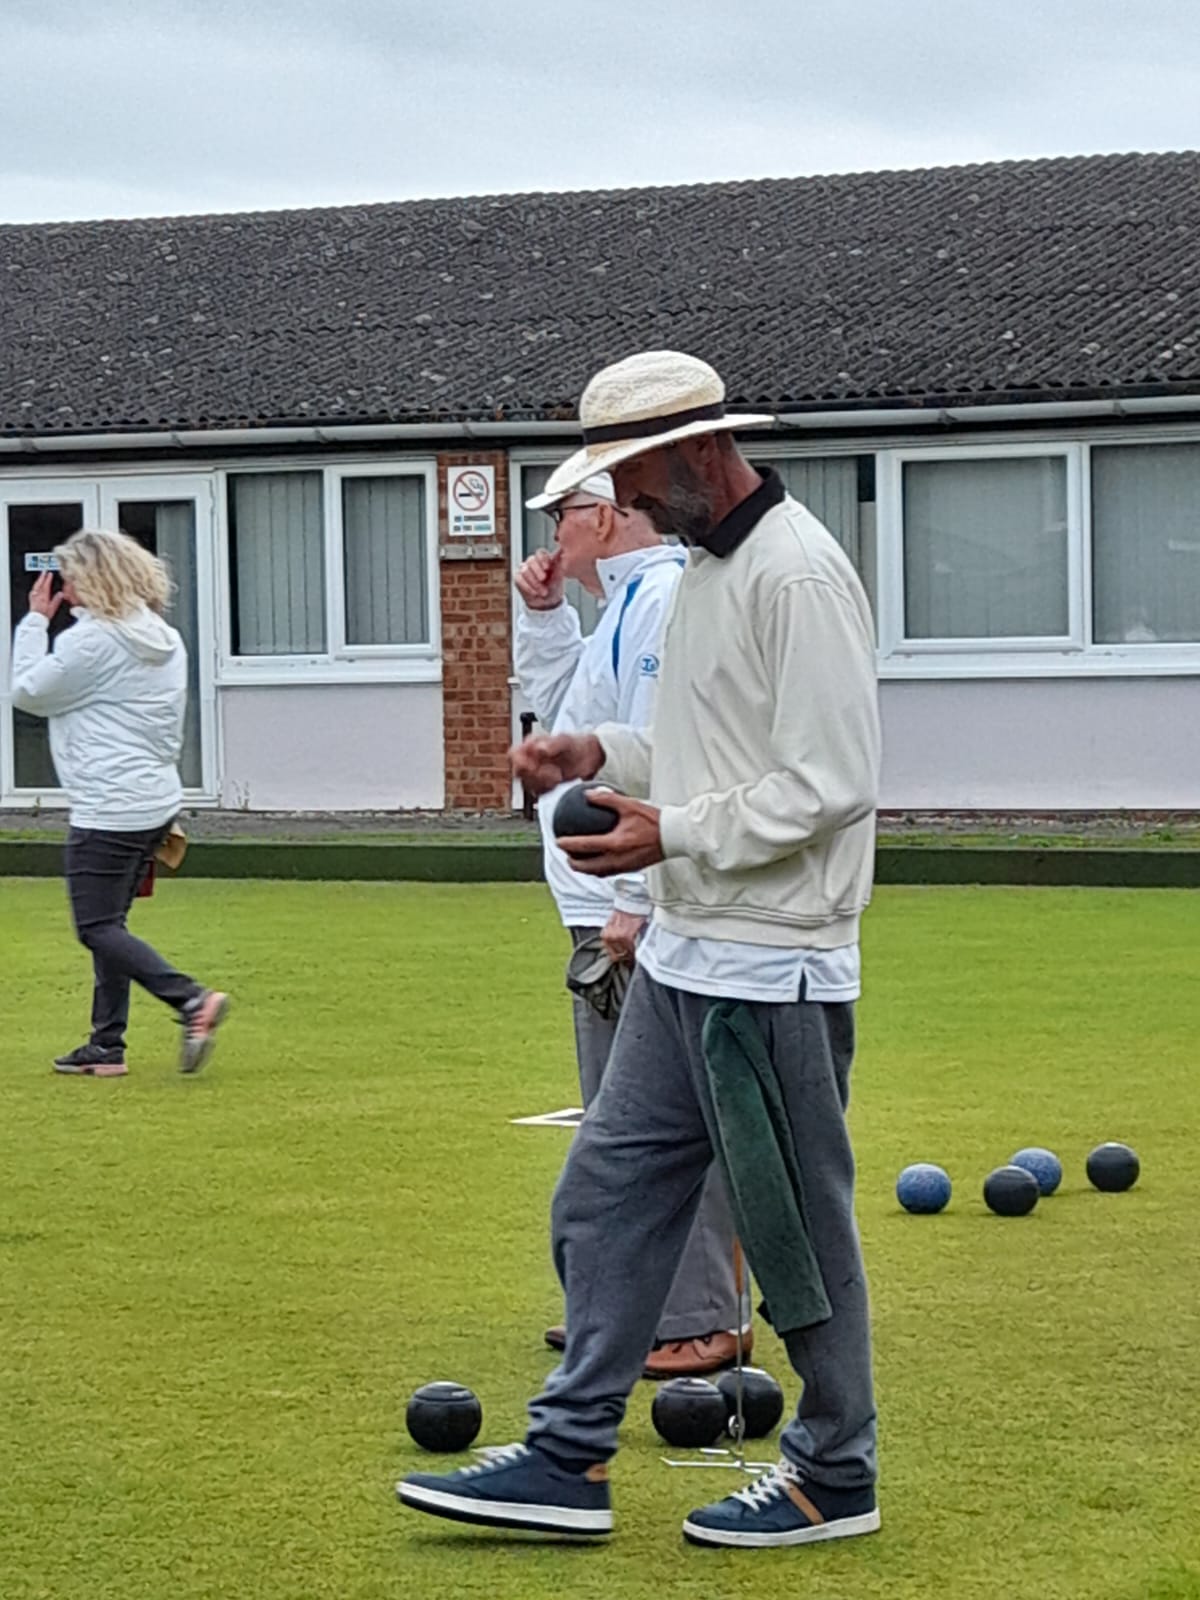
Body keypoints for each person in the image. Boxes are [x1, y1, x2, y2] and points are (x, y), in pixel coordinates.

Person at [398, 351, 882, 1551]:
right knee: (603, 1194)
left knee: (794, 1232)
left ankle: (836, 1470)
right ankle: (568, 1455)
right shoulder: (711, 572)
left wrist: (675, 831)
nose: (619, 501)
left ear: (698, 450)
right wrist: (599, 758)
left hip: (774, 965)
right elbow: (709, 753)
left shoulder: (798, 575)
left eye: (630, 471)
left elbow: (831, 784)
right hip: (687, 955)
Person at [516, 467, 743, 1378]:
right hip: (600, 894)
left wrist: (632, 902)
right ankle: (620, 1307)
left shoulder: (658, 602)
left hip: (631, 897)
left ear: (603, 517)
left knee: (651, 1122)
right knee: (617, 1120)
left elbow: (657, 747)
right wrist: (542, 618)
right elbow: (566, 710)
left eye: (561, 517)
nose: (551, 537)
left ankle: (698, 1319)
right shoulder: (622, 602)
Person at [10, 529, 229, 1078]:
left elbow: (28, 693)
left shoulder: (93, 642)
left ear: (97, 577)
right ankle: (106, 1045)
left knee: (96, 927)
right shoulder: (161, 635)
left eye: (71, 576)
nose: (62, 585)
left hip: (108, 805)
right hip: (152, 800)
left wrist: (36, 621)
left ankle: (191, 1001)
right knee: (114, 923)